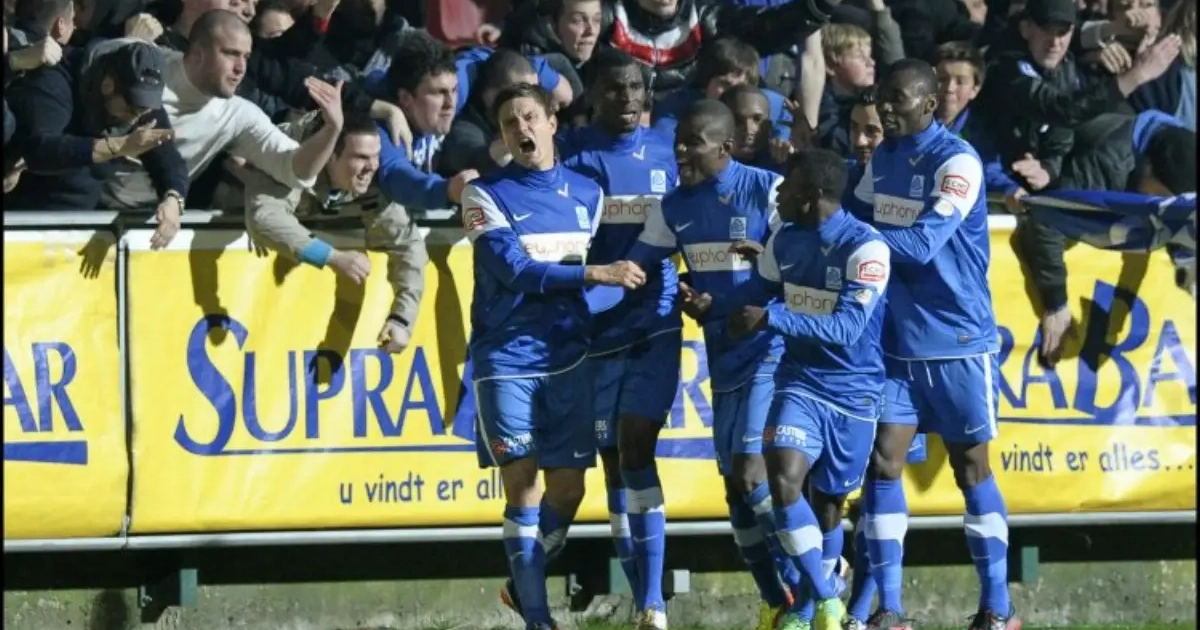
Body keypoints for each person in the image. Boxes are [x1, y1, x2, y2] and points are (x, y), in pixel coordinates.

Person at [463, 82, 645, 630]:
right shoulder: (483, 195)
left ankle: (523, 583)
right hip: (506, 360)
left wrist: (622, 295)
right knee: (523, 484)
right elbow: (515, 271)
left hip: (569, 358)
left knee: (568, 489)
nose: (520, 129)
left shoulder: (587, 194)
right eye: (509, 123)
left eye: (528, 118)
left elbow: (604, 282)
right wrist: (595, 273)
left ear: (551, 123)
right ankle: (539, 620)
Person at [850, 59, 1018, 630]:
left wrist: (854, 238)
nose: (885, 107)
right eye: (881, 96)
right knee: (884, 462)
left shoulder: (958, 162)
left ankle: (997, 607)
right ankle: (890, 608)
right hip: (897, 344)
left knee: (971, 470)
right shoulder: (884, 159)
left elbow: (922, 246)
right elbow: (853, 213)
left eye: (896, 98)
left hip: (958, 340)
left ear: (928, 103)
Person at [627, 99, 799, 630]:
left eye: (693, 142)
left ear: (725, 147)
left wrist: (748, 298)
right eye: (677, 140)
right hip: (723, 360)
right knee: (735, 493)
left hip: (772, 350)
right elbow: (634, 267)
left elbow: (800, 259)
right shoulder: (674, 207)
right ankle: (777, 601)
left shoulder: (767, 190)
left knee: (752, 474)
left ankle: (816, 581)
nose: (680, 150)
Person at [714, 148, 890, 630]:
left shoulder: (867, 249)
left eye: (786, 188)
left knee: (828, 506)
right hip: (799, 380)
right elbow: (757, 294)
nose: (778, 197)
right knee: (783, 478)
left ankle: (809, 606)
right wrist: (713, 305)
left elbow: (848, 329)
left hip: (853, 392)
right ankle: (829, 599)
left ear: (811, 196)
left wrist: (771, 318)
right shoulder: (784, 240)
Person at [558, 48, 681, 630]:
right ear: (592, 96)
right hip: (596, 325)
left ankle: (654, 602)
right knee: (612, 463)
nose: (628, 97)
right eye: (614, 88)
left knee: (636, 448)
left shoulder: (667, 150)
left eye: (635, 86)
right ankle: (642, 601)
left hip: (656, 320)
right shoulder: (572, 154)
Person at [101, 10, 340, 210]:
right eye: (231, 54)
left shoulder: (238, 114)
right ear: (198, 54)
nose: (241, 68)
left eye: (246, 56)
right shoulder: (142, 65)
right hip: (87, 203)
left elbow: (295, 168)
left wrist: (331, 130)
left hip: (151, 221)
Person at [1015, 111, 1196, 365]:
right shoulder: (1108, 162)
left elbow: (1178, 222)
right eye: (1160, 198)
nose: (1162, 209)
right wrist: (1055, 304)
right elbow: (1046, 220)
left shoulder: (1182, 157)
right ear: (1148, 169)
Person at [243, 112, 428, 355]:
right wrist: (332, 257)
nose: (371, 166)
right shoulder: (288, 152)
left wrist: (402, 318)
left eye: (375, 156)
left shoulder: (375, 174)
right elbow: (264, 219)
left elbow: (407, 245)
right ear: (330, 155)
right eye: (361, 157)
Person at [5, 39, 186, 249]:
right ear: (108, 85)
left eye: (143, 111)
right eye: (131, 108)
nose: (135, 119)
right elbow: (40, 149)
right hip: (19, 220)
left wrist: (173, 199)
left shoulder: (140, 104)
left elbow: (169, 159)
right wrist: (118, 146)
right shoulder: (56, 78)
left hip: (77, 229)